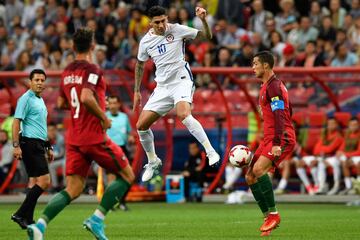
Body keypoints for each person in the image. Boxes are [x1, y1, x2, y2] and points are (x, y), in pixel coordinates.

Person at [27, 28, 135, 240]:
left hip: (74, 138)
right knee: (127, 175)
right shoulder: (93, 69)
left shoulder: (67, 72)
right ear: (93, 46)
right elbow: (85, 97)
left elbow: (60, 103)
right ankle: (97, 219)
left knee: (73, 188)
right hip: (94, 137)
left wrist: (82, 107)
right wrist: (102, 116)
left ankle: (39, 226)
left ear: (73, 47)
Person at [133, 6, 220, 182]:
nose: (161, 25)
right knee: (141, 126)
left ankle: (210, 150)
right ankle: (153, 161)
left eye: (163, 20)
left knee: (184, 115)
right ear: (151, 23)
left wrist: (203, 20)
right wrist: (136, 91)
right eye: (157, 22)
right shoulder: (146, 42)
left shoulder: (177, 29)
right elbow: (140, 65)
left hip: (181, 80)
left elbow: (207, 37)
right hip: (162, 87)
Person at [247, 51, 296, 236]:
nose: (253, 68)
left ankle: (274, 215)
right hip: (268, 138)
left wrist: (277, 143)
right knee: (250, 176)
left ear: (265, 65)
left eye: (255, 64)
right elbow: (288, 109)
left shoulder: (274, 86)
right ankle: (268, 217)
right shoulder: (268, 86)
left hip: (279, 137)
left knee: (259, 171)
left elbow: (280, 115)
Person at [11, 69, 53, 230]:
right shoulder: (25, 99)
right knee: (45, 181)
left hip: (38, 144)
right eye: (37, 80)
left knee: (36, 181)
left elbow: (41, 126)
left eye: (42, 80)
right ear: (30, 81)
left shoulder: (39, 100)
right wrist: (16, 146)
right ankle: (20, 213)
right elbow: (16, 122)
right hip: (29, 143)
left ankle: (27, 218)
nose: (40, 83)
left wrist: (48, 146)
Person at [106, 95, 134, 211]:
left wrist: (131, 137)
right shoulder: (104, 116)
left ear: (118, 105)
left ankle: (122, 201)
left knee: (129, 177)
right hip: (109, 149)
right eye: (110, 103)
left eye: (114, 103)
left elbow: (129, 132)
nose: (112, 105)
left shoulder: (124, 117)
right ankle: (110, 203)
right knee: (111, 178)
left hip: (123, 149)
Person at [337, 118, 360, 194]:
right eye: (351, 125)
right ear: (349, 126)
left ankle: (358, 186)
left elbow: (359, 152)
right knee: (344, 163)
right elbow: (342, 148)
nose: (353, 126)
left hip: (357, 156)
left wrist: (346, 155)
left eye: (355, 125)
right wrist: (339, 152)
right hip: (350, 156)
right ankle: (348, 187)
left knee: (358, 163)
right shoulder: (347, 135)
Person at [47, 123, 65, 193]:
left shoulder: (60, 138)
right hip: (52, 160)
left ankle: (65, 185)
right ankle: (55, 186)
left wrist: (50, 156)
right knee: (51, 166)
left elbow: (62, 153)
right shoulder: (45, 139)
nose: (51, 132)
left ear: (55, 130)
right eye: (49, 130)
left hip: (62, 159)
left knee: (65, 163)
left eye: (53, 130)